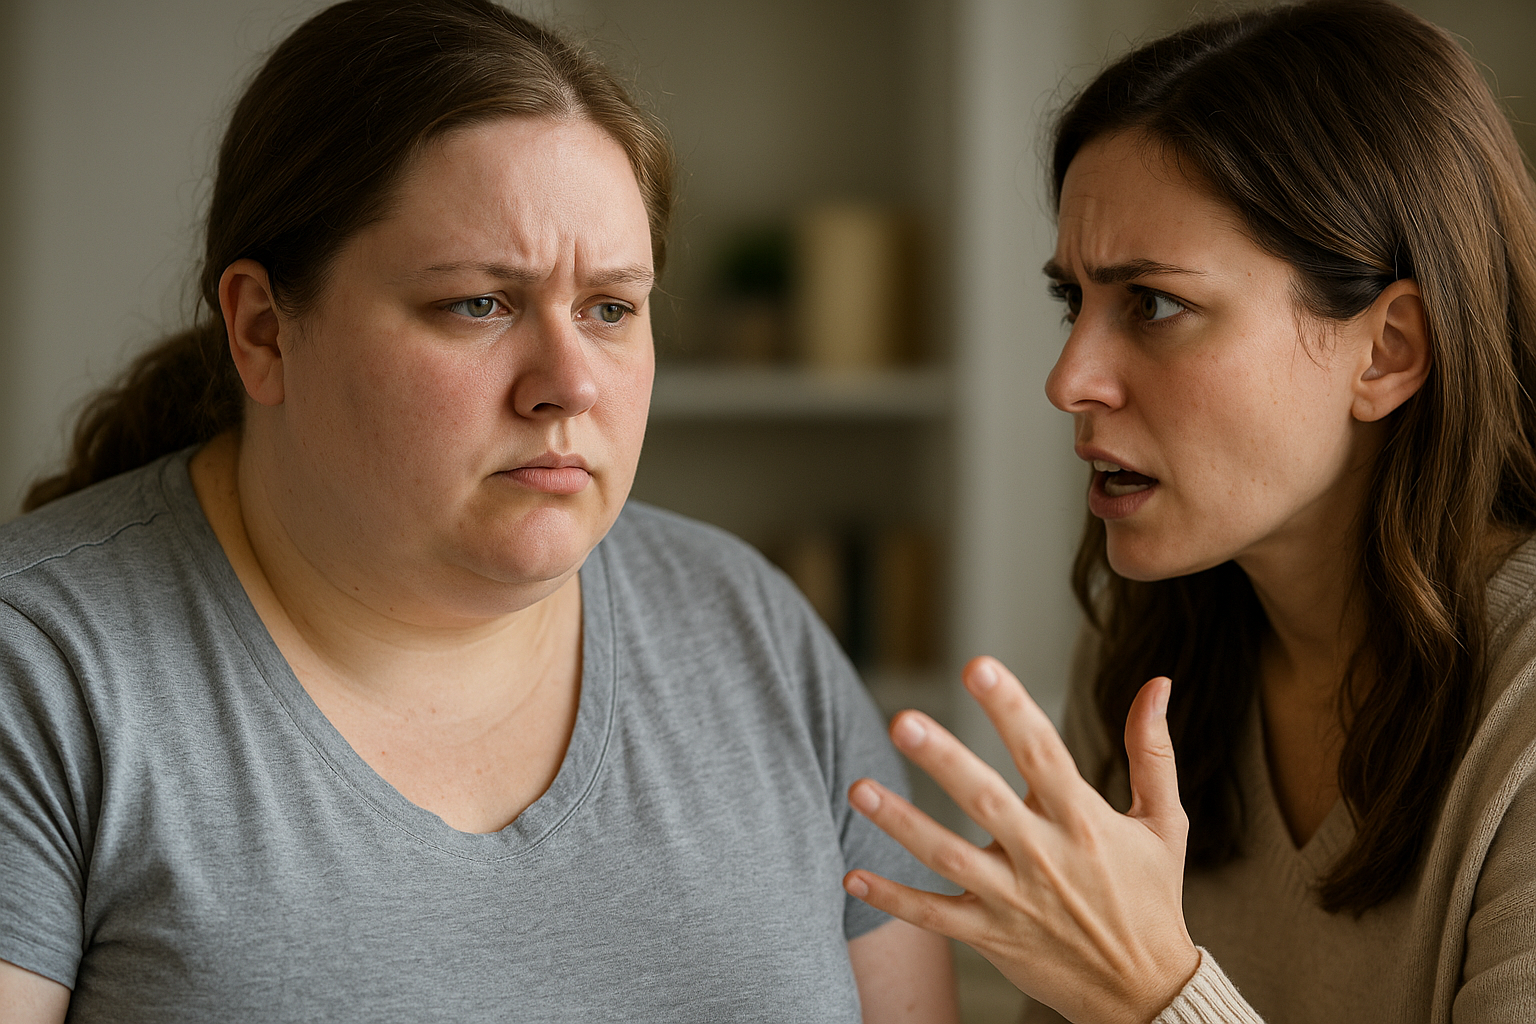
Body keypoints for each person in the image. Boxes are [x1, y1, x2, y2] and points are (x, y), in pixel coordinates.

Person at [0, 2, 958, 1021]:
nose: (568, 384)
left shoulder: (751, 627)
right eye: (479, 304)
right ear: (263, 330)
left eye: (611, 308)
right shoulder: (43, 671)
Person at [840, 1, 1536, 1021]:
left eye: (1153, 304)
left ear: (1386, 350)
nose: (1069, 378)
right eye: (1071, 301)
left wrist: (1156, 990)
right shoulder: (1150, 658)